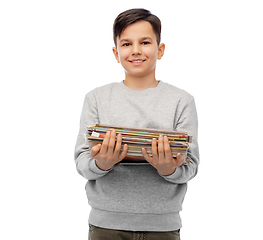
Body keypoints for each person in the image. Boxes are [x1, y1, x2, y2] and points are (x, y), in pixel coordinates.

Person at [74, 8, 199, 240]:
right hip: (106, 225)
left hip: (163, 227)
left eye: (145, 42)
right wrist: (101, 163)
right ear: (116, 52)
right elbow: (82, 162)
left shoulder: (182, 101)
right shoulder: (96, 98)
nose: (136, 51)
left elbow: (191, 166)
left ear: (160, 50)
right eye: (126, 44)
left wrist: (168, 169)